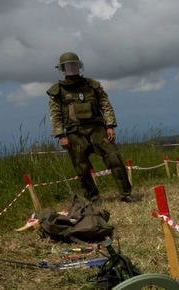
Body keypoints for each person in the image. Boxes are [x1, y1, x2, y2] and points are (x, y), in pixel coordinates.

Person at [47, 52, 136, 203]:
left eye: (74, 65)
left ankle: (125, 193)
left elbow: (105, 105)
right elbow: (55, 114)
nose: (71, 69)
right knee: (81, 167)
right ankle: (93, 197)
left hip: (97, 128)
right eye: (68, 66)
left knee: (114, 159)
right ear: (62, 69)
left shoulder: (92, 85)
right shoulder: (57, 91)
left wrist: (110, 126)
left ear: (79, 66)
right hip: (74, 133)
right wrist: (61, 135)